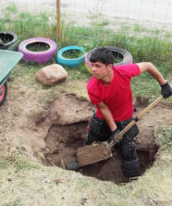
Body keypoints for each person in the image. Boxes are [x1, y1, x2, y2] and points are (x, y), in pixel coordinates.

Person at [67, 47, 172, 180]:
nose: (93, 69)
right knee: (92, 139)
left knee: (128, 147)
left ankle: (133, 176)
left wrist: (164, 84)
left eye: (98, 66)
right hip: (102, 117)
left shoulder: (124, 72)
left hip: (125, 117)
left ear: (109, 66)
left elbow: (148, 66)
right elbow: (103, 108)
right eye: (92, 65)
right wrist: (114, 130)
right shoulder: (93, 86)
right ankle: (81, 162)